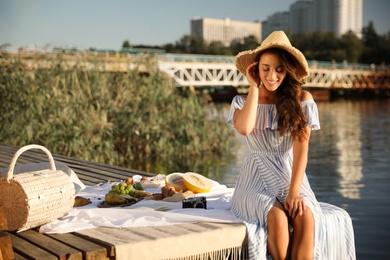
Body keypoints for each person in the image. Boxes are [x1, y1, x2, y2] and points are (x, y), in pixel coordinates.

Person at [227, 31, 356, 259]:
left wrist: (294, 192)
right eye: (265, 68)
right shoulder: (241, 101)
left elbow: (301, 148)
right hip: (254, 176)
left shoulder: (302, 100)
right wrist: (254, 87)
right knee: (276, 218)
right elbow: (245, 128)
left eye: (279, 69)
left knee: (306, 217)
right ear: (256, 69)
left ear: (287, 71)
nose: (272, 75)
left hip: (289, 174)